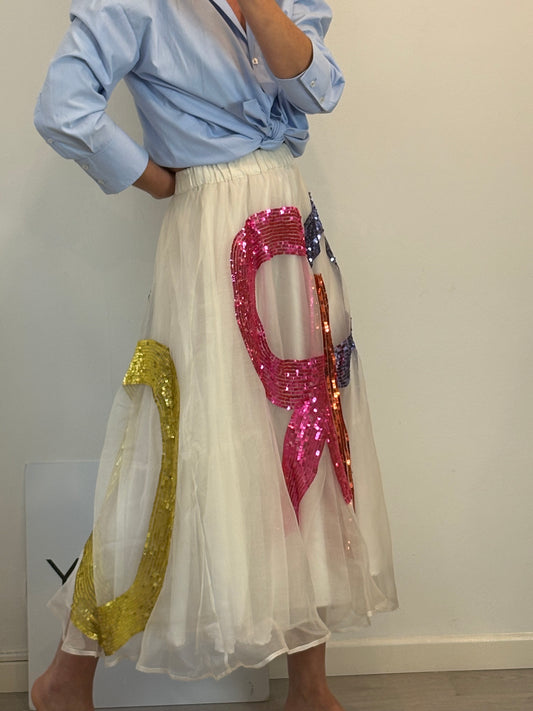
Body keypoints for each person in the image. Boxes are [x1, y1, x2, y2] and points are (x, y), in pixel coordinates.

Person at [32, 1, 398, 709]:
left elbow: (318, 89)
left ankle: (310, 687)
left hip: (288, 215)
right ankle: (66, 676)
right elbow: (63, 108)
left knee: (309, 433)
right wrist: (157, 178)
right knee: (174, 445)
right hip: (211, 227)